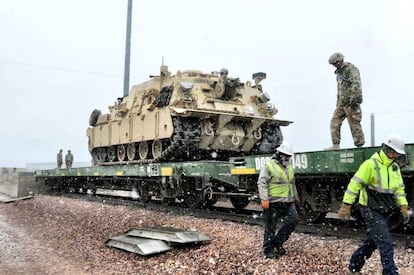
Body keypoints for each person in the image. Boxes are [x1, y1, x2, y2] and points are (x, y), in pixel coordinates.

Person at [337, 134, 409, 274]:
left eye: (398, 154)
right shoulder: (371, 164)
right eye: (394, 152)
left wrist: (404, 206)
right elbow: (354, 184)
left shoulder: (395, 168)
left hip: (384, 210)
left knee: (372, 241)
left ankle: (354, 266)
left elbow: (399, 189)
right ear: (387, 149)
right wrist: (347, 204)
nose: (396, 156)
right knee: (386, 243)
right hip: (370, 209)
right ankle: (390, 272)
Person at [257, 142, 299, 259]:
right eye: (286, 155)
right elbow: (262, 183)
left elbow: (291, 183)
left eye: (289, 156)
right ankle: (268, 250)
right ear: (279, 154)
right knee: (270, 226)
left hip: (287, 201)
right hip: (272, 202)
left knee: (293, 220)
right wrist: (264, 199)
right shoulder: (269, 165)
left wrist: (295, 197)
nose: (288, 158)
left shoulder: (289, 166)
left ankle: (277, 242)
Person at [326, 52, 365, 150]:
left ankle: (359, 145)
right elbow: (340, 89)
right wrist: (339, 102)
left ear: (340, 61)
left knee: (354, 125)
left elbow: (356, 83)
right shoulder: (339, 73)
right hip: (342, 103)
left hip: (351, 103)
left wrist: (354, 99)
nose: (334, 66)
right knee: (334, 123)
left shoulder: (350, 69)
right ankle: (335, 144)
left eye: (335, 63)